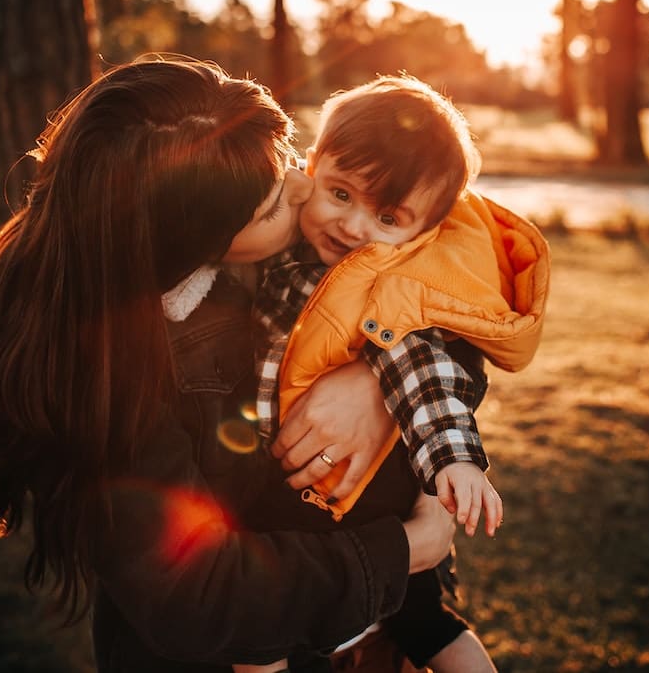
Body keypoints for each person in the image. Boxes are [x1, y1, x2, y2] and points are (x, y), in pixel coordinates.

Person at [0, 55, 460, 673]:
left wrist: (373, 383)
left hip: (362, 635)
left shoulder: (281, 246)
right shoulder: (110, 388)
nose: (302, 187)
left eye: (289, 158)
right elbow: (199, 596)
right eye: (270, 207)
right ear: (191, 249)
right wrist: (404, 550)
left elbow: (457, 296)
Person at [236, 75, 551, 673]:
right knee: (420, 618)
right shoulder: (280, 242)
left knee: (265, 624)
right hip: (305, 473)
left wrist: (455, 460)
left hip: (340, 493)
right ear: (311, 167)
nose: (353, 228)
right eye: (341, 193)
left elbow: (425, 374)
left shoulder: (387, 289)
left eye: (387, 216)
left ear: (422, 233)